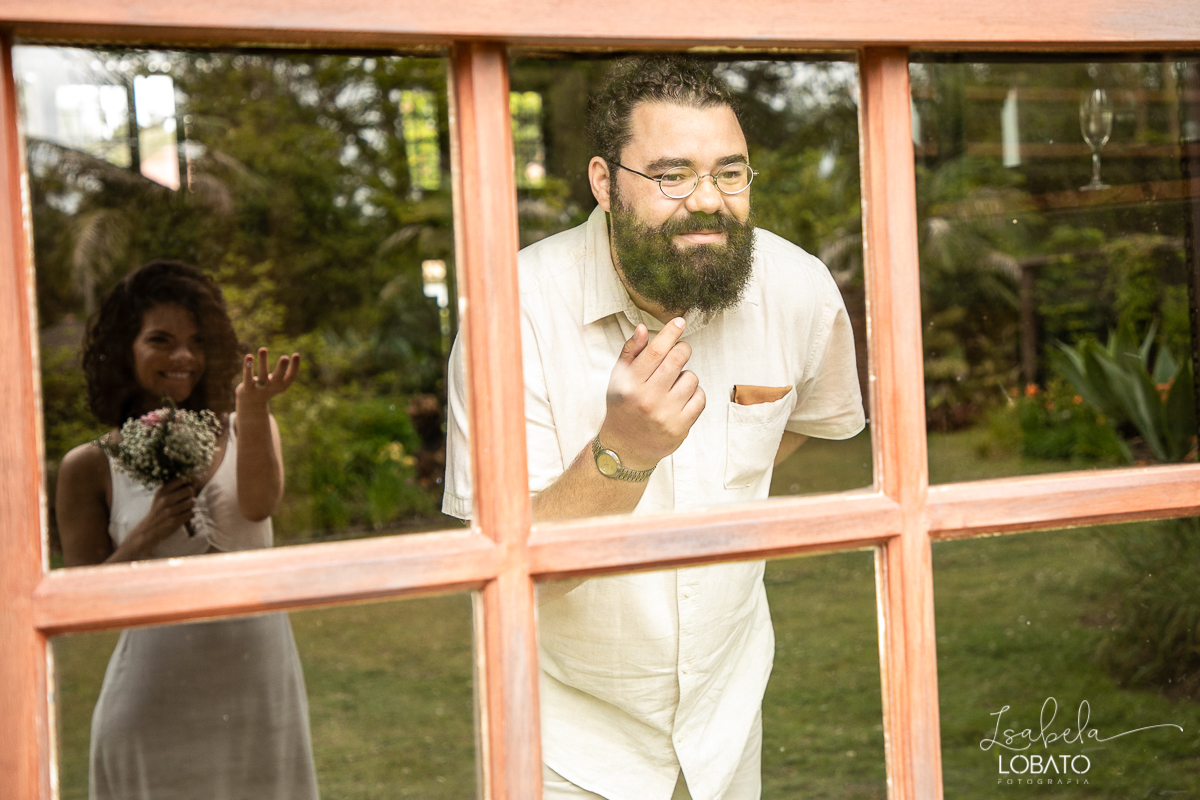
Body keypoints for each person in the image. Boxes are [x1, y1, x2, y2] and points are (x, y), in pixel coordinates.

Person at [443, 57, 864, 800]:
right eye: (673, 175)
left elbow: (808, 423)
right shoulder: (514, 312)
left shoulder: (797, 289)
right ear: (605, 183)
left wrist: (708, 468)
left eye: (730, 174)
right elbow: (505, 559)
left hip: (729, 720)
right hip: (565, 741)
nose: (708, 201)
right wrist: (624, 456)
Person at [55, 260, 319, 800]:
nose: (184, 357)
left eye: (197, 341)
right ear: (124, 349)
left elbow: (260, 504)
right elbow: (76, 610)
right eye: (161, 340)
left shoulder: (249, 420)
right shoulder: (88, 464)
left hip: (260, 687)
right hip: (155, 698)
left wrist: (250, 406)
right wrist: (143, 537)